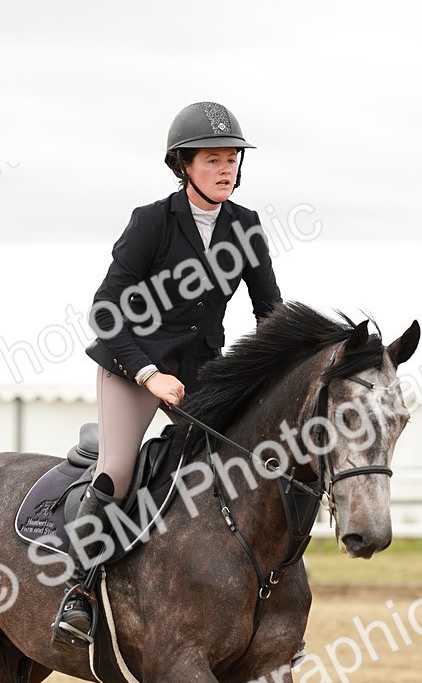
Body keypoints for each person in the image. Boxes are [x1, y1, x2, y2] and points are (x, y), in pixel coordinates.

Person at [51, 101, 282, 651]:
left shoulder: (245, 228)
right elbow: (106, 308)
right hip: (133, 366)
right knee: (119, 469)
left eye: (232, 160)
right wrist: (149, 373)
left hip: (204, 375)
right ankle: (79, 592)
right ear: (183, 166)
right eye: (213, 161)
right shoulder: (152, 221)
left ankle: (256, 603)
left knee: (241, 470)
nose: (226, 170)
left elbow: (270, 312)